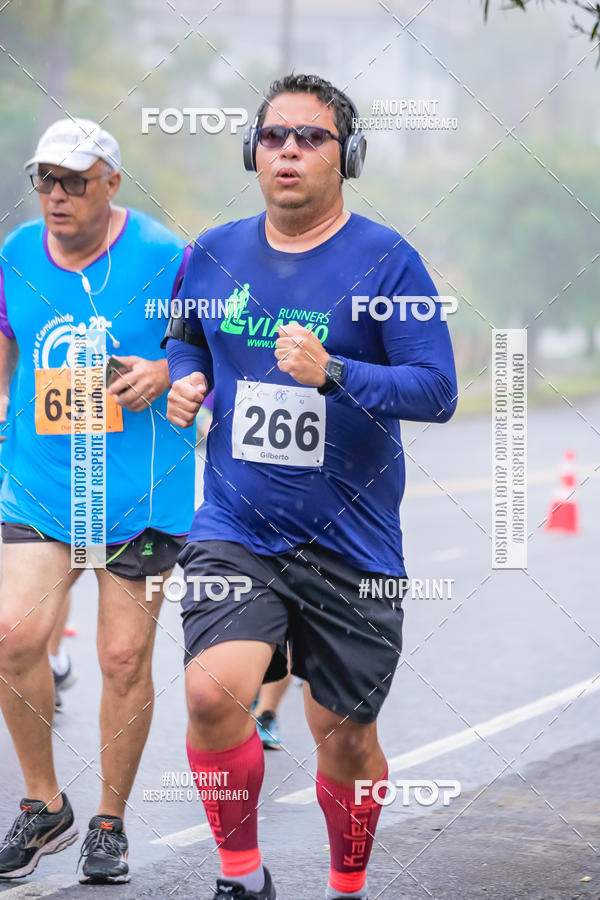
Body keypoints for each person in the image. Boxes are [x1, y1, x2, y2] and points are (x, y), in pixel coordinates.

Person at [166, 73, 457, 900]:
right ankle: (240, 876)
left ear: (347, 156)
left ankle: (346, 883)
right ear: (252, 151)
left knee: (344, 735)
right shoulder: (213, 252)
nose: (288, 149)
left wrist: (332, 371)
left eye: (311, 137)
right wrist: (188, 382)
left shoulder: (388, 259)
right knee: (213, 694)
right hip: (237, 524)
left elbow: (437, 391)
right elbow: (187, 337)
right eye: (272, 136)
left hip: (351, 542)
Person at [0, 118, 194, 884]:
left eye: (74, 180)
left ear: (112, 182)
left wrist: (164, 367)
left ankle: (109, 822)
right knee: (14, 635)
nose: (56, 194)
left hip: (137, 491)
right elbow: (8, 336)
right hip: (43, 485)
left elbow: (205, 340)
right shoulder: (15, 253)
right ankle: (43, 805)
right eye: (45, 178)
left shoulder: (162, 255)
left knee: (121, 658)